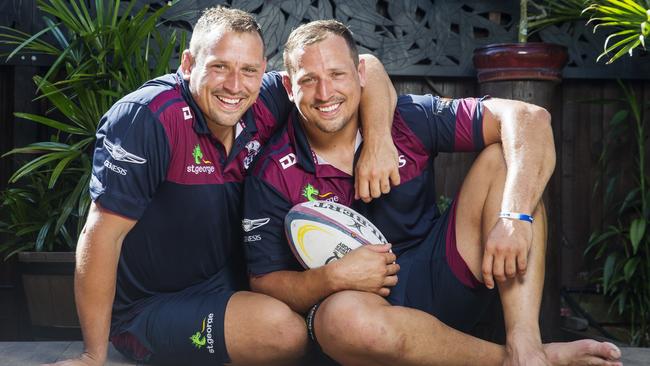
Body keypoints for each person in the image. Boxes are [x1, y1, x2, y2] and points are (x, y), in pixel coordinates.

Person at [242, 20, 623, 366]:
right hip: (361, 311)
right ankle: (516, 360)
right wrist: (332, 278)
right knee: (342, 321)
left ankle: (525, 340)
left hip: (440, 276)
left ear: (359, 74)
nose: (325, 92)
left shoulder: (406, 119)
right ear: (290, 87)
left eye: (337, 74)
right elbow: (265, 281)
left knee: (504, 160)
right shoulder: (272, 171)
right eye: (309, 80)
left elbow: (529, 119)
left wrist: (514, 217)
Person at [49, 7, 399, 366]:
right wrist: (92, 355)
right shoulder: (148, 117)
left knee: (319, 327)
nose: (234, 85)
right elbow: (102, 235)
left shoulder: (265, 97)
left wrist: (378, 142)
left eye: (248, 70)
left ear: (262, 70)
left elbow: (367, 66)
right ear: (188, 65)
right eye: (219, 67)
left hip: (231, 288)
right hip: (151, 306)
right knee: (286, 333)